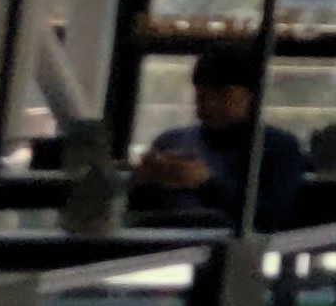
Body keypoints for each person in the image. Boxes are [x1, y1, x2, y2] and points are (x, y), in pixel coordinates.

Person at [132, 44, 309, 230]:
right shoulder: (170, 143)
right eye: (201, 94)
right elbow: (142, 213)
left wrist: (206, 183)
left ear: (251, 96)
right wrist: (141, 180)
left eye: (222, 94)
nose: (209, 103)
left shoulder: (279, 148)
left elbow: (268, 219)